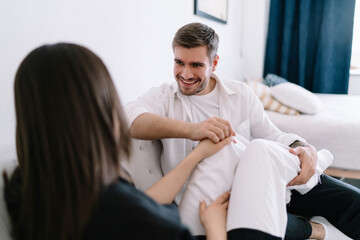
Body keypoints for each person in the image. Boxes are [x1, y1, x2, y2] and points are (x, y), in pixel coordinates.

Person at [125, 22, 360, 240]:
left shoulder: (240, 94)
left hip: (262, 179)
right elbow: (131, 120)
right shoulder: (165, 97)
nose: (185, 74)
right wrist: (193, 130)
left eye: (196, 65)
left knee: (353, 202)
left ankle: (312, 200)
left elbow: (271, 134)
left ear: (214, 63)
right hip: (215, 200)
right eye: (179, 63)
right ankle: (316, 230)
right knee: (262, 218)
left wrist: (302, 148)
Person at [2, 43, 233, 240]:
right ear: (102, 110)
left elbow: (136, 205)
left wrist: (196, 155)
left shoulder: (23, 189)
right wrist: (214, 226)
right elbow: (130, 213)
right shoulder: (127, 214)